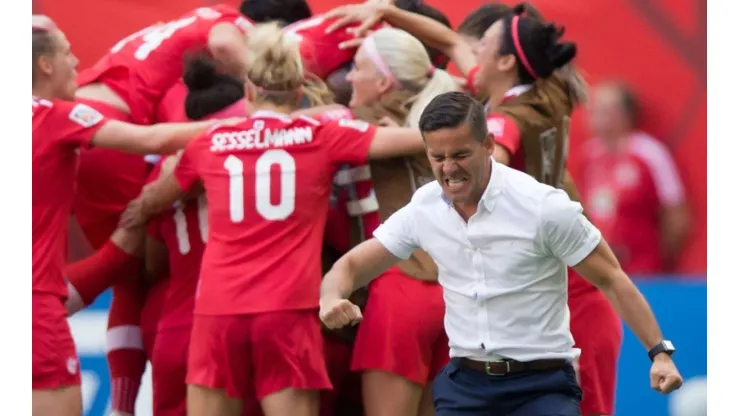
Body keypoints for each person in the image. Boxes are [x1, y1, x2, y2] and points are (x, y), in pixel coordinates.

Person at [118, 22, 429, 416]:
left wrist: (140, 209)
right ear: (299, 93)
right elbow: (411, 140)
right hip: (287, 312)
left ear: (248, 91)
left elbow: (162, 192)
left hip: (218, 312)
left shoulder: (210, 141)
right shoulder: (323, 135)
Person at [319, 92, 684, 416]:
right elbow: (353, 264)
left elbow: (611, 278)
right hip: (465, 386)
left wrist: (659, 353)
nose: (448, 169)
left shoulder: (543, 207)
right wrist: (331, 297)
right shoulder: (424, 208)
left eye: (461, 154)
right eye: (438, 157)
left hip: (542, 387)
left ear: (489, 144)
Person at [31, 16, 230, 416]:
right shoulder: (56, 115)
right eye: (68, 52)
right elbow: (151, 139)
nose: (78, 64)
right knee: (132, 269)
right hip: (36, 310)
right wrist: (254, 125)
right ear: (45, 65)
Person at [341, 27, 459, 416]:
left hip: (400, 290)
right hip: (453, 294)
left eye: (357, 68)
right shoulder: (451, 121)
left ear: (383, 81)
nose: (348, 77)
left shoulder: (359, 124)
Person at [580, 81, 690, 275]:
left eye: (604, 109)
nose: (594, 115)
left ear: (625, 115)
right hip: (602, 270)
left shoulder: (650, 153)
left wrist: (660, 263)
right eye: (594, 108)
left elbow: (676, 215)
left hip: (643, 269)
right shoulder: (589, 155)